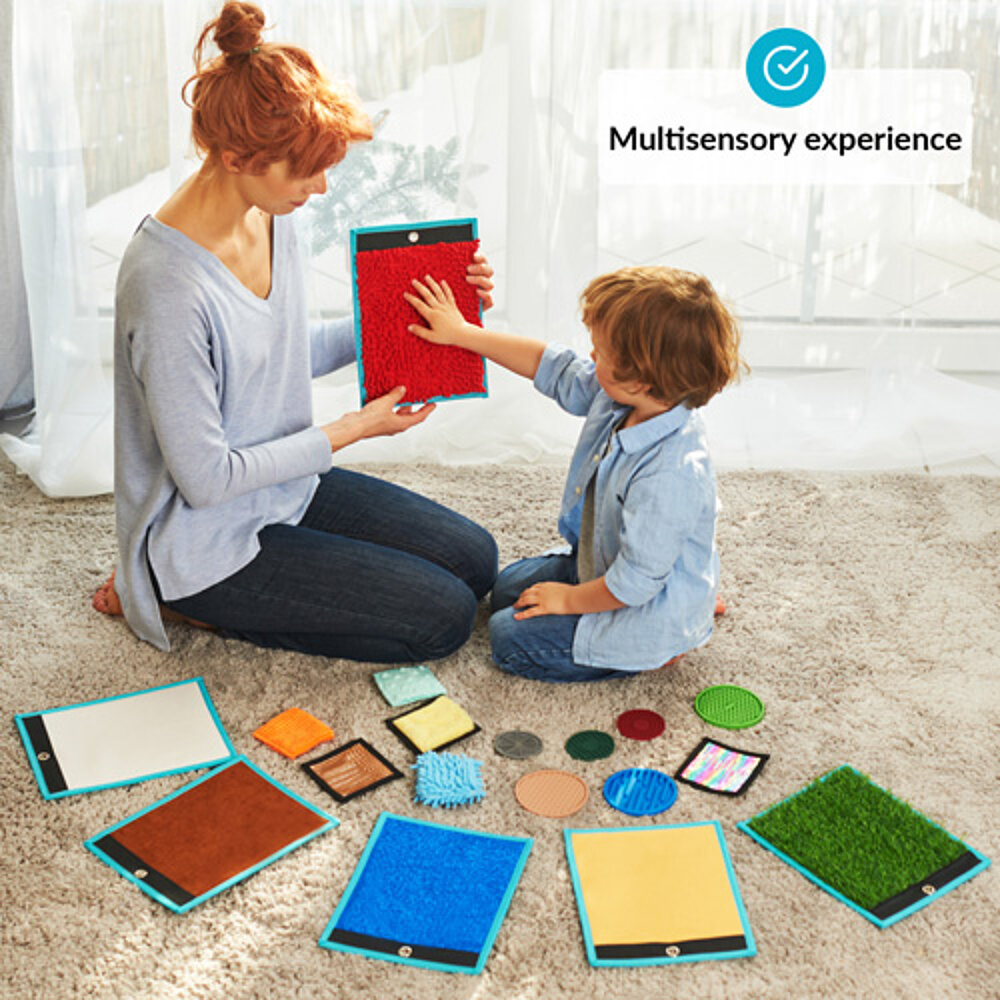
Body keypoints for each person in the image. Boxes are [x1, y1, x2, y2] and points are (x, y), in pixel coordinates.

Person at [93, 0, 498, 662]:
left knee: (476, 560)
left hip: (283, 484)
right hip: (205, 538)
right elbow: (207, 480)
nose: (322, 187)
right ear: (235, 156)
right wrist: (353, 429)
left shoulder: (272, 212)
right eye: (307, 170)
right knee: (444, 619)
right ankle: (177, 598)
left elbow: (276, 355)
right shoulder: (165, 284)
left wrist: (429, 317)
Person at [405, 265, 744, 682]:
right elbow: (551, 366)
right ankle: (689, 601)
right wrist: (463, 333)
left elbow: (635, 584)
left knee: (508, 638)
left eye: (600, 352)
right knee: (506, 590)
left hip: (640, 604)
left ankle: (667, 641)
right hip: (604, 567)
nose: (591, 357)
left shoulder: (670, 475)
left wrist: (567, 601)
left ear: (640, 379)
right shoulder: (631, 396)